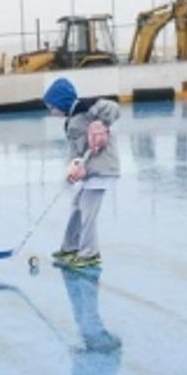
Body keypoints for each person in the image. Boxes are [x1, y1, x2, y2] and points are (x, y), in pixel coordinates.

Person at [42, 77, 120, 271]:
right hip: (87, 171)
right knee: (77, 206)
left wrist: (101, 123)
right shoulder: (71, 122)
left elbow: (113, 109)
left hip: (101, 169)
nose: (51, 112)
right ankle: (70, 247)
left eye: (52, 107)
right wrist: (73, 167)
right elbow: (76, 150)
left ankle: (89, 253)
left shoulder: (87, 108)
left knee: (88, 211)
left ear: (61, 102)